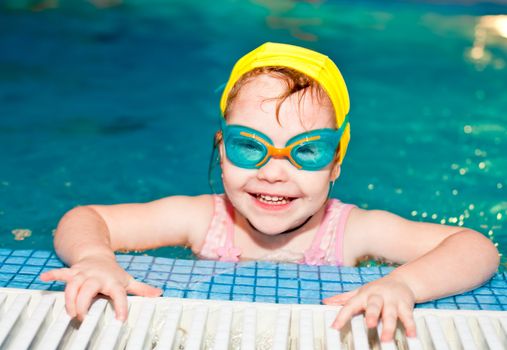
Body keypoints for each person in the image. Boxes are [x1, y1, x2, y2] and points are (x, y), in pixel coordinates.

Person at [40, 42, 499, 342]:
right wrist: (95, 259)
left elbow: (476, 248)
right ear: (222, 151)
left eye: (306, 152)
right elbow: (85, 218)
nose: (274, 172)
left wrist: (402, 283)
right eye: (249, 147)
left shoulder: (355, 231)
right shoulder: (201, 219)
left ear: (336, 162)